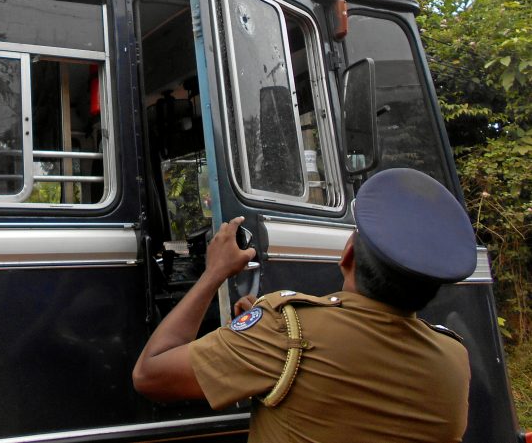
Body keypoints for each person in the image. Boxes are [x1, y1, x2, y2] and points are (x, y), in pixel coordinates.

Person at [132, 168, 477, 443]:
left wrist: (213, 274)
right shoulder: (453, 359)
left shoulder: (287, 333)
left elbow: (150, 374)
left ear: (347, 255)